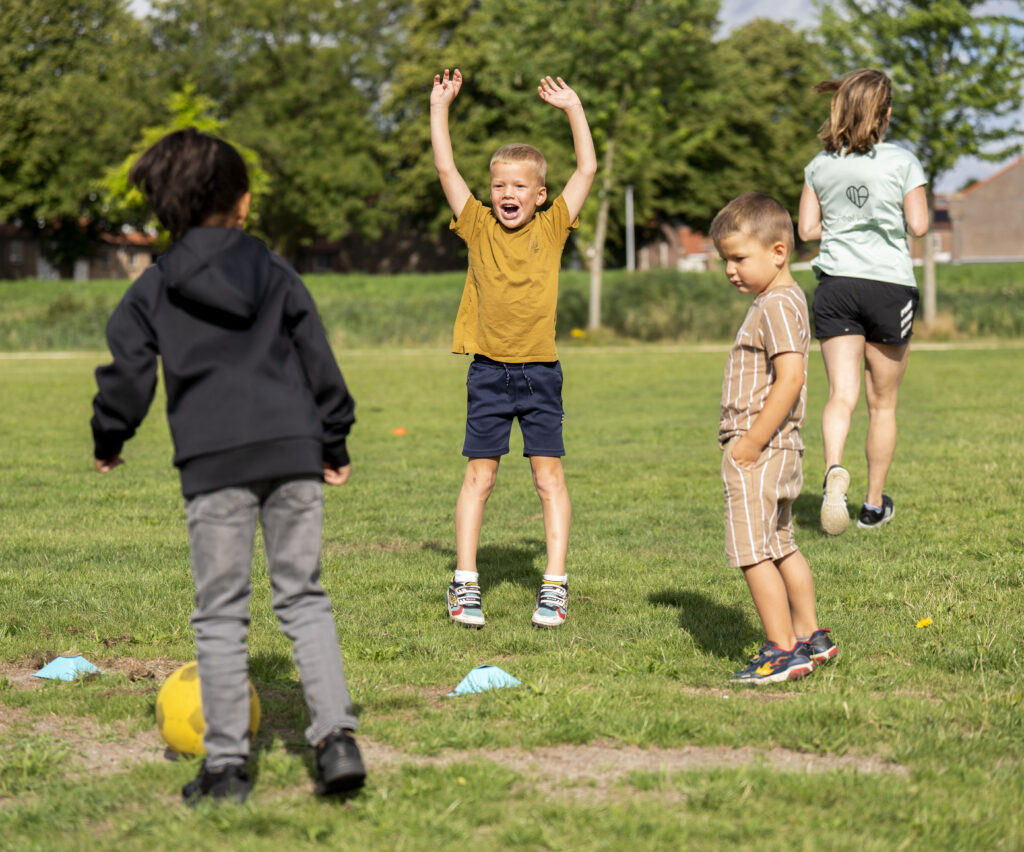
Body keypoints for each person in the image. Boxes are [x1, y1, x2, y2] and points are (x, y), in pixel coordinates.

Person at [91, 128, 366, 804]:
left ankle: (226, 770)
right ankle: (336, 741)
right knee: (303, 597)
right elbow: (318, 360)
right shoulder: (276, 270)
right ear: (242, 204)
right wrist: (333, 442)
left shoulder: (152, 286)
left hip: (214, 463)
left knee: (220, 614)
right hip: (293, 451)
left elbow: (127, 373)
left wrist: (110, 437)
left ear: (166, 209)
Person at [429, 68, 596, 629]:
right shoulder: (475, 223)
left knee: (548, 478)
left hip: (541, 374)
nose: (507, 194)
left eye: (519, 186)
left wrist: (574, 108)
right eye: (499, 184)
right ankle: (465, 585)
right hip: (488, 373)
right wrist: (440, 107)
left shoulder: (552, 229)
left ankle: (554, 586)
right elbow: (446, 167)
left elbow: (588, 168)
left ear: (540, 194)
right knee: (481, 476)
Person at [711, 192, 837, 684]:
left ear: (779, 252)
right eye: (726, 260)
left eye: (739, 258)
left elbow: (791, 379)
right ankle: (809, 637)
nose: (730, 269)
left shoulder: (778, 304)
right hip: (779, 449)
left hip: (758, 446)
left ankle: (782, 649)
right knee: (781, 543)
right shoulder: (781, 299)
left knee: (751, 551)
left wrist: (747, 444)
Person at [798, 68, 929, 535]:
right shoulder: (903, 162)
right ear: (886, 114)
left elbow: (807, 231)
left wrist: (845, 222)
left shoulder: (820, 165)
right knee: (884, 404)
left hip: (836, 285)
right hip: (888, 286)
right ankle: (873, 506)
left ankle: (835, 469)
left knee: (842, 395)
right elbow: (918, 226)